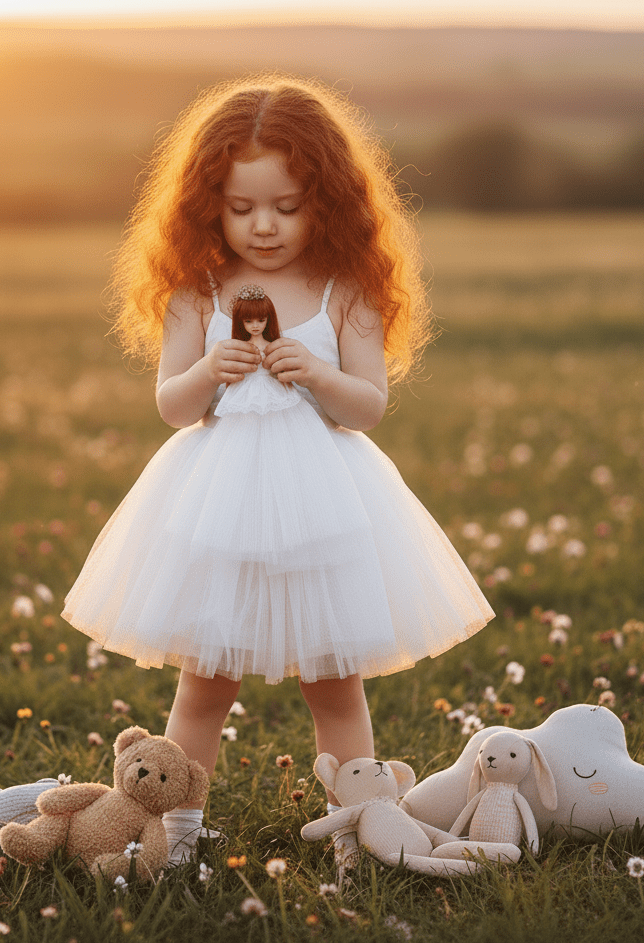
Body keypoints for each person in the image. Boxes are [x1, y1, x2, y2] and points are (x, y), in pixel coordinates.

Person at [62, 75, 494, 867]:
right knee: (204, 686)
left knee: (335, 687)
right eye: (241, 206)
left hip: (321, 512)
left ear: (326, 201)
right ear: (209, 204)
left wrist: (316, 375)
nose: (263, 225)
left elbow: (365, 406)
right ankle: (175, 838)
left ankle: (359, 833)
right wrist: (211, 374)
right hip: (219, 511)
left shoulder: (345, 289)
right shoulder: (197, 289)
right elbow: (173, 405)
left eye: (287, 207)